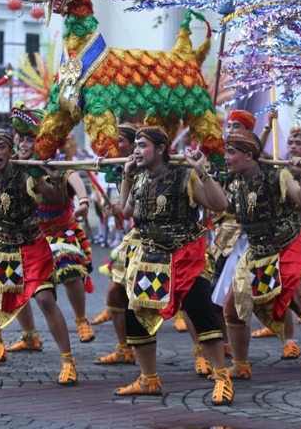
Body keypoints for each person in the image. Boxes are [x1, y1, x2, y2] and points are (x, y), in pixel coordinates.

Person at [220, 130, 301, 388]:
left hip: (284, 249)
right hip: (256, 253)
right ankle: (240, 365)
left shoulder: (278, 174)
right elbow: (222, 205)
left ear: (248, 155)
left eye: (231, 152)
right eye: (225, 152)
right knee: (232, 309)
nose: (226, 157)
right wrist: (202, 174)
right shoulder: (235, 183)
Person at [115, 126, 234, 405]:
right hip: (151, 260)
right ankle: (149, 379)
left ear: (160, 149)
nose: (136, 150)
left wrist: (202, 171)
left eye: (142, 145)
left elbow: (221, 204)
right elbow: (126, 211)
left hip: (185, 256)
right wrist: (127, 175)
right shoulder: (141, 177)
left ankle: (221, 376)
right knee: (137, 315)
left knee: (200, 312)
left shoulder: (185, 175)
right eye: (136, 145)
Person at [0, 128, 79, 383]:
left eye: (0, 146)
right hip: (2, 248)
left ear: (10, 151)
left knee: (45, 299)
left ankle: (68, 361)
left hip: (32, 247)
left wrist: (55, 179)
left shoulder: (28, 175)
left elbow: (57, 200)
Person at [6, 104, 96, 352]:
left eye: (30, 139)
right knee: (13, 280)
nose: (24, 144)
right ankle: (29, 336)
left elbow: (73, 178)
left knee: (68, 267)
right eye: (21, 140)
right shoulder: (12, 165)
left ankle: (81, 320)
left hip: (60, 232)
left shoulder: (54, 163)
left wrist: (84, 201)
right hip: (31, 236)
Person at [94, 123, 141, 366]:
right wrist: (118, 211)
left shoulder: (152, 166)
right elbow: (127, 209)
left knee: (185, 298)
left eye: (120, 140)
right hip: (134, 240)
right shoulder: (124, 170)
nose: (114, 145)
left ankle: (203, 352)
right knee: (114, 293)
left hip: (164, 242)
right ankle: (124, 349)